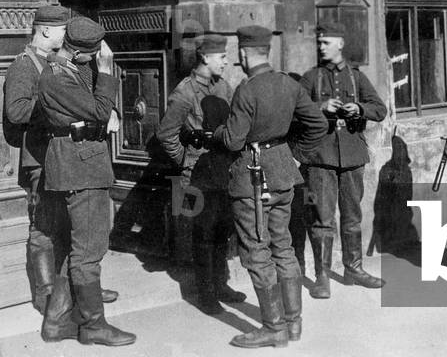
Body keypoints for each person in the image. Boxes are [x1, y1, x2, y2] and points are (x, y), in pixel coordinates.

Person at [3, 4, 120, 315]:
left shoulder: (63, 63)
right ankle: (46, 294)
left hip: (64, 156)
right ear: (44, 30)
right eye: (62, 30)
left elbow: (91, 101)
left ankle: (80, 288)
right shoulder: (24, 65)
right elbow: (15, 112)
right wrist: (55, 105)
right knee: (43, 226)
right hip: (38, 157)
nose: (67, 35)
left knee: (76, 226)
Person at [216, 25, 327, 348]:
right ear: (267, 51)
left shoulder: (246, 90)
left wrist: (218, 132)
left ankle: (273, 327)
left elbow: (234, 139)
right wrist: (296, 156)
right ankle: (293, 324)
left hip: (252, 177)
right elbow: (318, 124)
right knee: (283, 245)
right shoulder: (288, 84)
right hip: (282, 172)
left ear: (244, 53)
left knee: (255, 250)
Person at [35, 17, 135, 346]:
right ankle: (93, 326)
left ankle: (56, 322)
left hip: (77, 163)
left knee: (75, 251)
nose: (97, 57)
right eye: (92, 55)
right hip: (82, 166)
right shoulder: (58, 77)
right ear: (78, 53)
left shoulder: (68, 69)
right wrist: (106, 72)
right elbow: (99, 110)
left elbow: (97, 108)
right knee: (89, 252)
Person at [296, 22, 388, 298]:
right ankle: (322, 276)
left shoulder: (357, 78)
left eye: (326, 43)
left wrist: (359, 108)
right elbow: (293, 112)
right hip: (320, 157)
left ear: (340, 44)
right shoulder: (310, 78)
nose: (321, 47)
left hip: (351, 157)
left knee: (352, 217)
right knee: (322, 218)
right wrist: (319, 108)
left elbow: (380, 109)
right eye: (319, 43)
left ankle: (354, 269)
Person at [157, 33, 246, 313]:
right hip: (198, 174)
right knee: (203, 233)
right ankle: (205, 293)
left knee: (223, 230)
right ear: (205, 58)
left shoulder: (223, 87)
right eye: (221, 56)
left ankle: (220, 285)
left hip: (223, 169)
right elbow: (166, 133)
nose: (226, 61)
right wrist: (186, 159)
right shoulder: (184, 92)